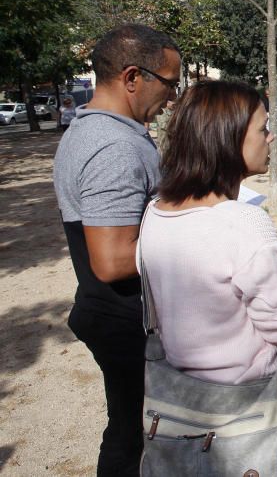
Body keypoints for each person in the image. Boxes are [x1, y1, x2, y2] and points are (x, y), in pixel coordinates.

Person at [138, 82, 277, 469]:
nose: (272, 137)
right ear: (228, 137)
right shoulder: (242, 222)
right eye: (263, 128)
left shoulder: (156, 211)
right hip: (242, 414)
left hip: (177, 404)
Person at [53, 24, 181, 475]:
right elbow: (111, 261)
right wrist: (194, 234)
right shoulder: (113, 146)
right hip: (127, 321)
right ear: (132, 77)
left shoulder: (101, 132)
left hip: (121, 317)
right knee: (137, 439)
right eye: (169, 83)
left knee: (130, 429)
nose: (172, 96)